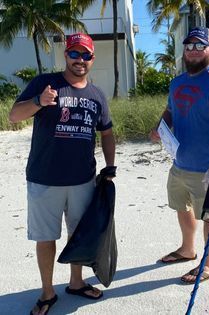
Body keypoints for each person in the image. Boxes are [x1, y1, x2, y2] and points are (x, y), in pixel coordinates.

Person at [9, 33, 115, 315]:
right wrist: (39, 101)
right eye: (75, 54)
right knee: (46, 237)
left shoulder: (97, 95)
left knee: (78, 235)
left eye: (86, 55)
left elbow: (107, 133)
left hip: (82, 180)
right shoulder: (45, 83)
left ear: (92, 59)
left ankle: (77, 282)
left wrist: (110, 166)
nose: (80, 60)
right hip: (44, 179)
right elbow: (14, 115)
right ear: (66, 55)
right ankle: (47, 292)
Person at [150, 27, 209, 284]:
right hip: (180, 163)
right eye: (189, 46)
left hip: (207, 168)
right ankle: (188, 249)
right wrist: (159, 127)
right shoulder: (177, 82)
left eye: (200, 46)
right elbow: (170, 111)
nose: (193, 51)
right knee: (182, 207)